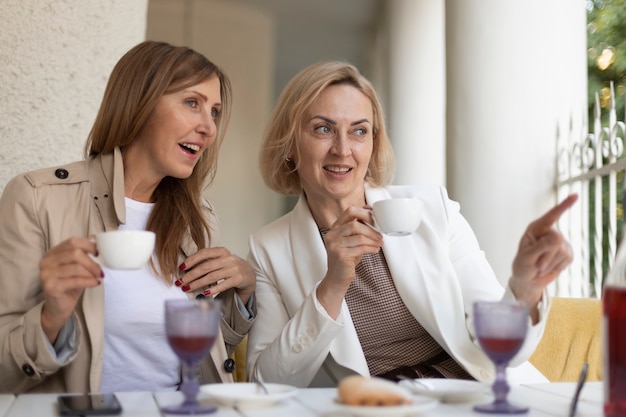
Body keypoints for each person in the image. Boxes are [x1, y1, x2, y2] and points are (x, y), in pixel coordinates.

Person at [246, 61, 577, 388]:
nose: (343, 149)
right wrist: (332, 284)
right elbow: (266, 382)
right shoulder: (269, 249)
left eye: (359, 131)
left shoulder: (433, 210)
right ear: (289, 142)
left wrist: (524, 288)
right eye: (323, 129)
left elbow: (497, 348)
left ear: (374, 143)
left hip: (472, 394)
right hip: (382, 407)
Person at [0, 41, 256, 394]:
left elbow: (202, 357)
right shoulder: (36, 198)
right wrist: (51, 317)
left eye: (214, 111)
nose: (209, 128)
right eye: (192, 103)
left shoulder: (199, 219)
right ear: (140, 102)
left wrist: (243, 292)